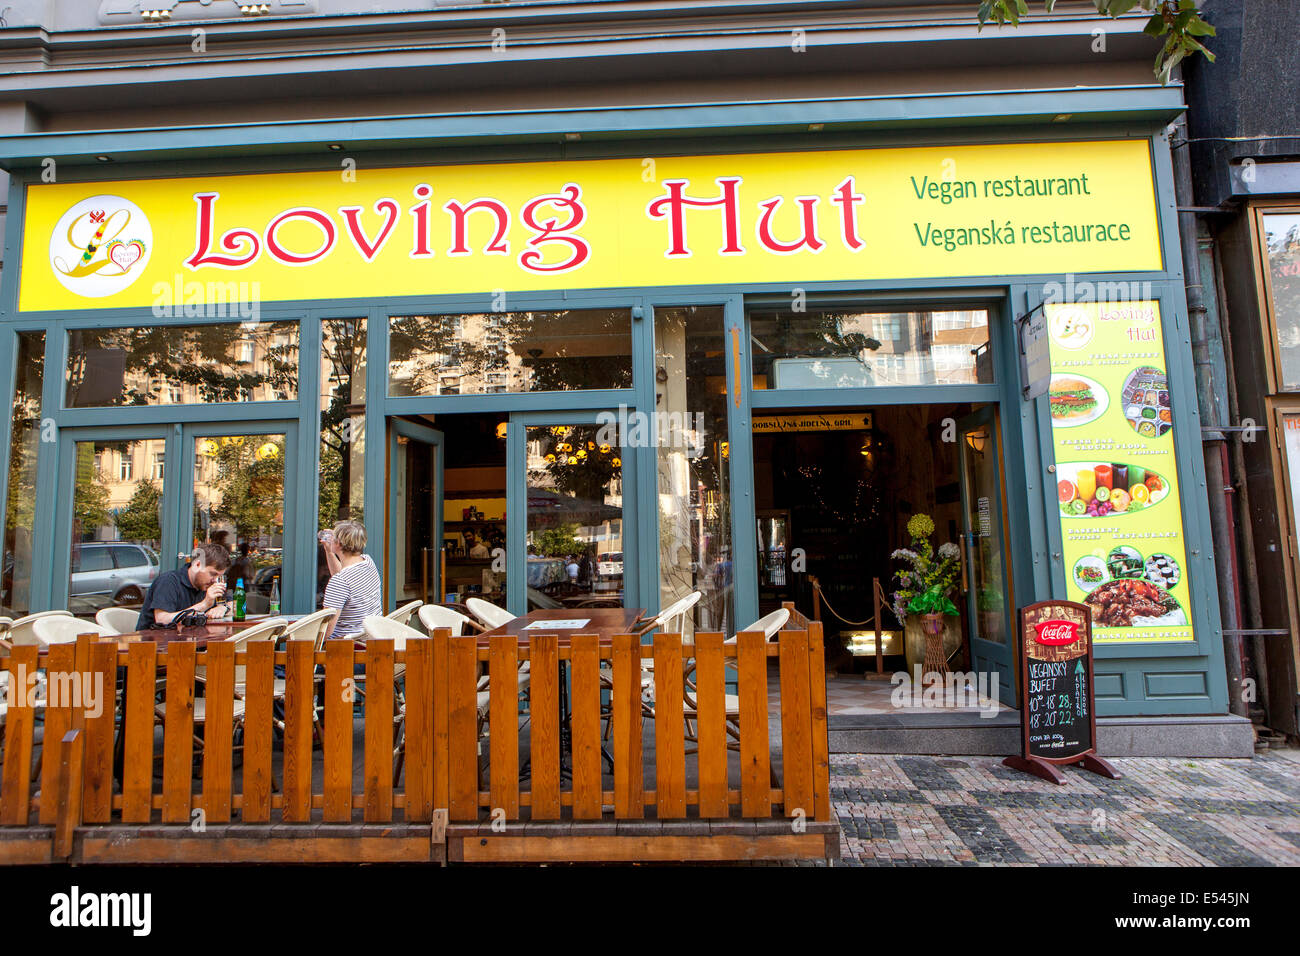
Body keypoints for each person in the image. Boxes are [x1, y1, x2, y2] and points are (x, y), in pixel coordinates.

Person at [136, 542, 233, 629]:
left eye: (219, 576)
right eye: (213, 574)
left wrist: (223, 608)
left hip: (191, 642)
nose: (215, 580)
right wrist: (204, 604)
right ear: (198, 565)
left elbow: (236, 604)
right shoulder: (168, 581)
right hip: (155, 645)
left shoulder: (209, 584)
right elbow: (162, 620)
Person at [321, 520, 382, 641]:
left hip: (345, 648)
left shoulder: (340, 582)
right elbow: (342, 575)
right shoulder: (368, 563)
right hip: (370, 641)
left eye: (333, 537)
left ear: (338, 543)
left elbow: (325, 630)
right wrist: (329, 551)